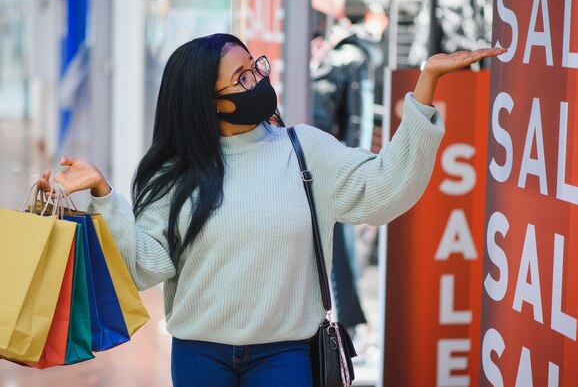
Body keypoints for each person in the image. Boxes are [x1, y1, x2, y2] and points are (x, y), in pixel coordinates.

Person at [37, 33, 505, 386]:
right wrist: (103, 194)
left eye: (255, 68)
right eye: (241, 78)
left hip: (286, 356)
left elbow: (385, 189)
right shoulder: (177, 172)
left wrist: (427, 83)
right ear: (208, 103)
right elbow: (144, 266)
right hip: (200, 357)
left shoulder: (305, 151)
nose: (258, 81)